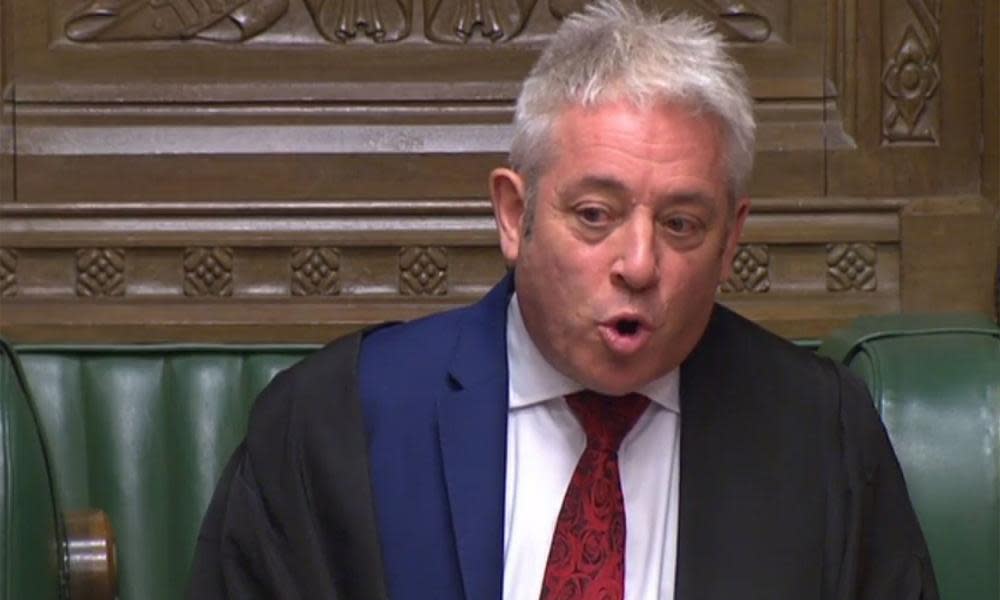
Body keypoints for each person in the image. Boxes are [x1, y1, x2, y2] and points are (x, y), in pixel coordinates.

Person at [188, 1, 939, 598]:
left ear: (731, 238)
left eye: (681, 224)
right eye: (595, 216)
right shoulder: (334, 421)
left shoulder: (822, 437)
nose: (639, 264)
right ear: (515, 215)